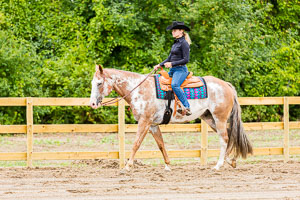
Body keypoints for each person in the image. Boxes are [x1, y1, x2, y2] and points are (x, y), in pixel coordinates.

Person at [154, 21, 192, 116]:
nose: (172, 32)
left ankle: (187, 107)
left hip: (181, 70)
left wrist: (172, 63)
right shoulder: (175, 43)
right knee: (158, 80)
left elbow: (186, 59)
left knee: (175, 85)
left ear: (181, 31)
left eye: (174, 30)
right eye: (172, 30)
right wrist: (160, 65)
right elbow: (169, 58)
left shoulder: (184, 43)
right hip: (173, 70)